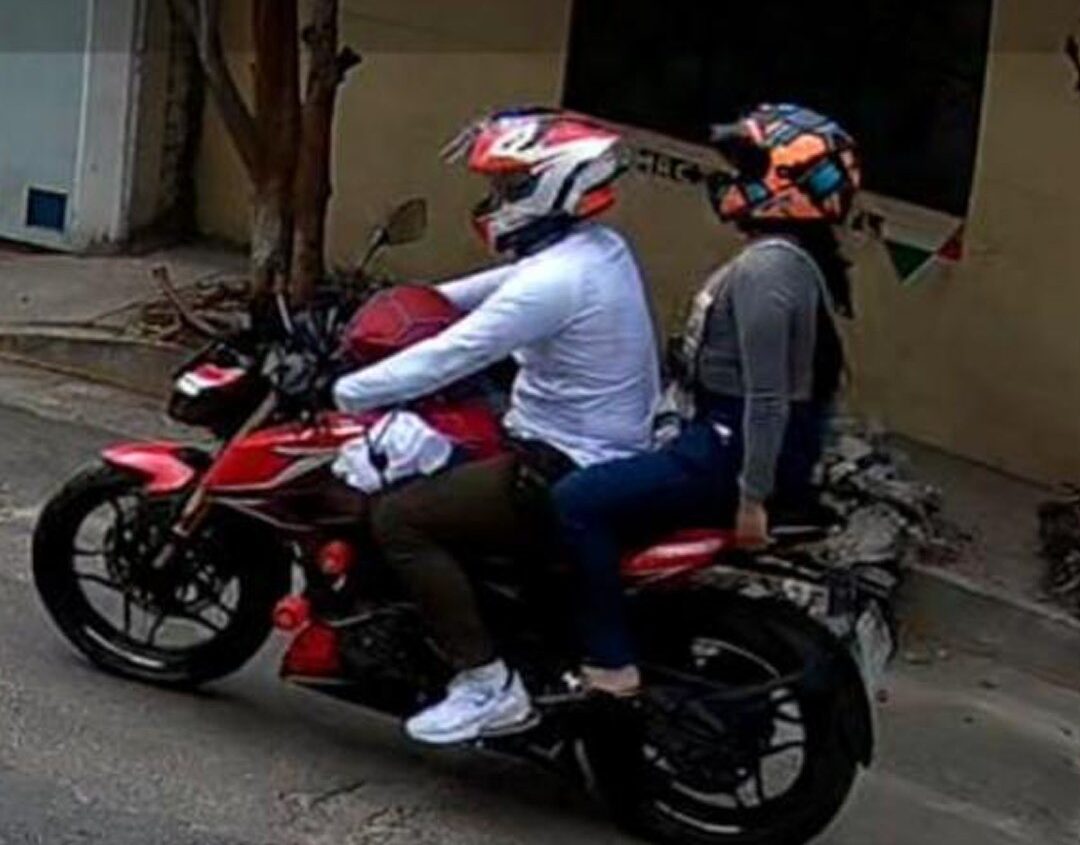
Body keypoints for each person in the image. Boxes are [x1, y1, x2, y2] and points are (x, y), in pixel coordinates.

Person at [332, 108, 661, 744]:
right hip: (594, 445)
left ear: (552, 185)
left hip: (562, 461)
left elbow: (455, 352)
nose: (495, 201)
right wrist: (389, 306)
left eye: (508, 187)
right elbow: (472, 295)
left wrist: (347, 389)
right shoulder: (594, 250)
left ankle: (486, 683)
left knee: (399, 517)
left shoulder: (558, 279)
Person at [552, 104, 862, 697]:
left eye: (747, 167)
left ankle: (611, 662)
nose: (731, 180)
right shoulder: (791, 263)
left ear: (787, 183)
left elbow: (768, 396)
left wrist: (752, 498)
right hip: (726, 440)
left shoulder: (769, 271)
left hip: (730, 451)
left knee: (575, 501)